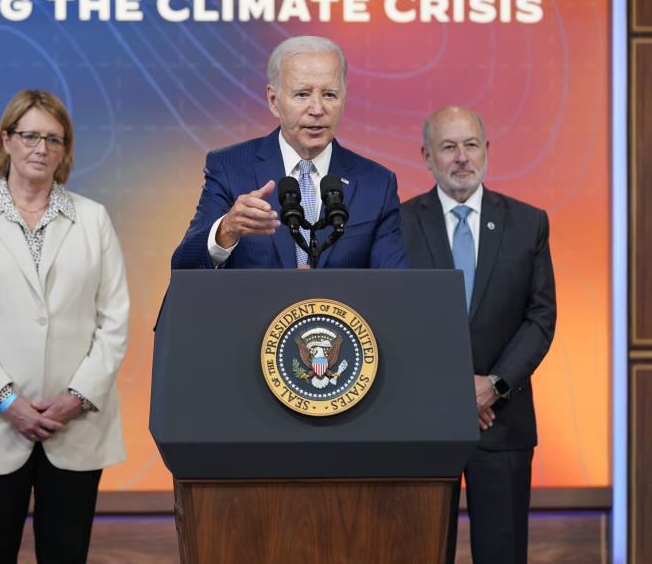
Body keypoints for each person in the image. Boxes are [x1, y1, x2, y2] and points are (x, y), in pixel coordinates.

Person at [0, 89, 130, 563]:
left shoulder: (92, 218)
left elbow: (115, 321)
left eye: (54, 139)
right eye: (30, 136)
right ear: (6, 140)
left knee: (67, 554)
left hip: (74, 425)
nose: (41, 148)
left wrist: (76, 397)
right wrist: (9, 401)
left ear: (65, 150)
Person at [400, 105, 557, 564]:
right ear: (427, 156)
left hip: (503, 423)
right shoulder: (399, 224)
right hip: (425, 425)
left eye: (471, 145)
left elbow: (540, 317)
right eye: (448, 147)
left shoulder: (529, 223)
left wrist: (493, 387)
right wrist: (453, 393)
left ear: (486, 151)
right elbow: (394, 320)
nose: (462, 157)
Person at [171, 35, 408, 270]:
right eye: (302, 94)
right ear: (274, 100)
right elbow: (185, 268)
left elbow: (394, 289)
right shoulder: (229, 168)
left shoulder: (377, 183)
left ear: (344, 100)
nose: (317, 109)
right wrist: (227, 230)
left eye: (329, 95)